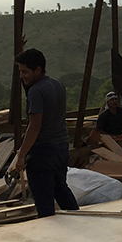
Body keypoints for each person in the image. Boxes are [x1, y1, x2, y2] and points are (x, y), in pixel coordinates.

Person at [11, 48, 80, 218]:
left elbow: (34, 127)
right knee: (61, 189)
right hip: (61, 147)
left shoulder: (36, 91)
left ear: (38, 69)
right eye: (20, 71)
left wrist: (21, 156)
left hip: (43, 151)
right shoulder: (57, 84)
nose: (21, 76)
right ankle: (80, 221)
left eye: (24, 72)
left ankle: (47, 229)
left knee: (44, 199)